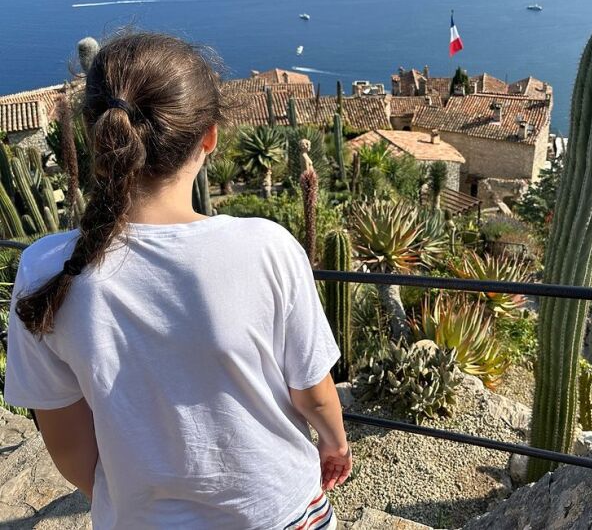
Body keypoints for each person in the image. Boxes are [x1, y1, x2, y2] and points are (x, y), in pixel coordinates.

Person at [3, 32, 351, 530]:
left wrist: (139, 503)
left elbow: (70, 447)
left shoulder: (44, 270)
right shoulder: (267, 247)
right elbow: (313, 394)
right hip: (280, 513)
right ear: (208, 138)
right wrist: (335, 445)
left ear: (96, 135)